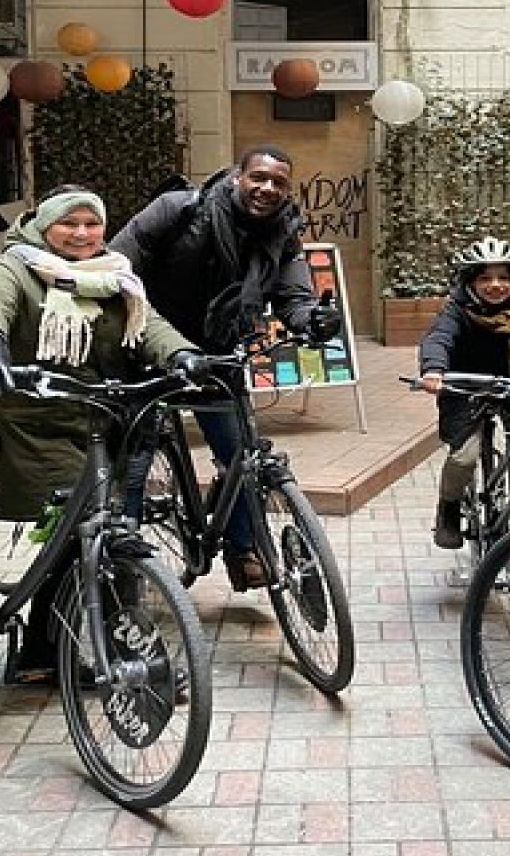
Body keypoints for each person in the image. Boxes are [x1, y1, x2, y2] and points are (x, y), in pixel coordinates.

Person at [0, 186, 200, 682]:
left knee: (83, 540)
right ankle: (130, 663)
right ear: (45, 226)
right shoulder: (16, 269)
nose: (83, 233)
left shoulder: (114, 275)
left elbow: (149, 325)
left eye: (92, 223)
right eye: (70, 224)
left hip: (99, 422)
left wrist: (180, 355)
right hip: (36, 423)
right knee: (91, 530)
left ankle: (40, 652)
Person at [110, 145, 341, 589]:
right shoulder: (179, 209)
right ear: (238, 177)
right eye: (259, 177)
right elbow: (116, 269)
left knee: (240, 454)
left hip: (219, 351)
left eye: (278, 182)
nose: (267, 188)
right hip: (148, 349)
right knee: (134, 460)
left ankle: (243, 548)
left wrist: (312, 319)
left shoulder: (283, 232)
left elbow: (293, 297)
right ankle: (123, 560)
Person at [416, 237, 510, 549]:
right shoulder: (456, 309)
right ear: (470, 281)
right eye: (485, 277)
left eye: (504, 277)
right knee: (465, 457)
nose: (495, 285)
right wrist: (433, 370)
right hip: (463, 390)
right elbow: (438, 337)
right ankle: (449, 509)